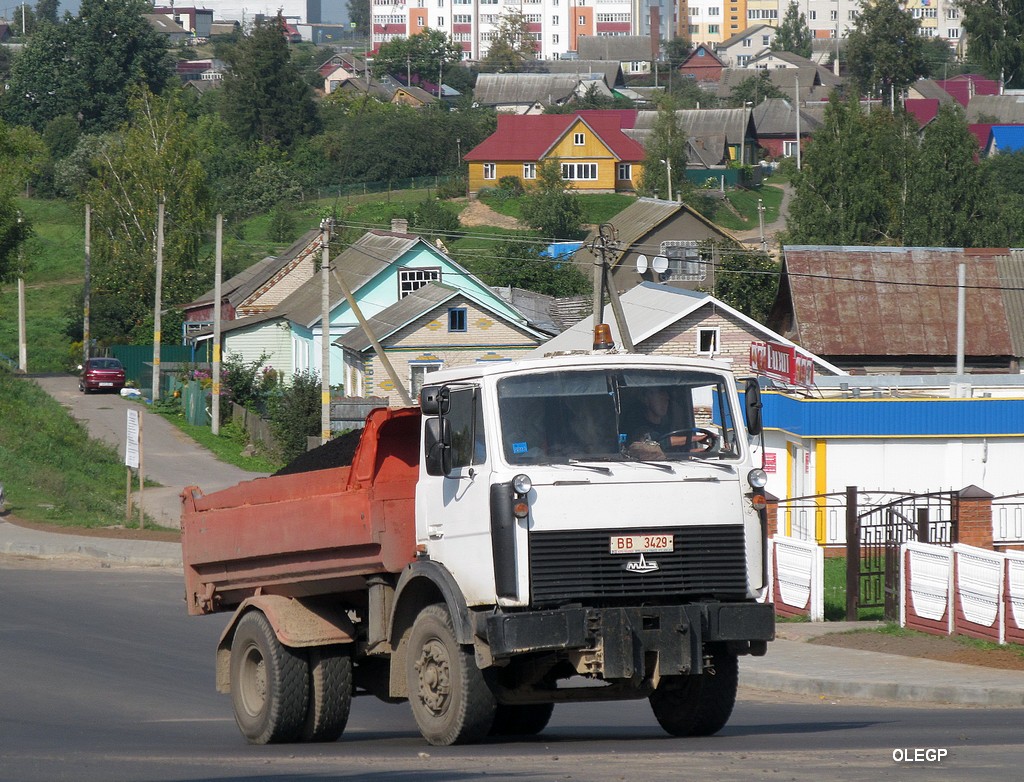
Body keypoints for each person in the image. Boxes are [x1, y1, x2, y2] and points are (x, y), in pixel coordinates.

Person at [626, 387, 712, 456]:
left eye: (667, 394)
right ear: (645, 398)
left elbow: (670, 454)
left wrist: (695, 452)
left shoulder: (669, 427)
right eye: (660, 392)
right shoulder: (637, 428)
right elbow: (657, 444)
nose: (666, 398)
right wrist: (695, 438)